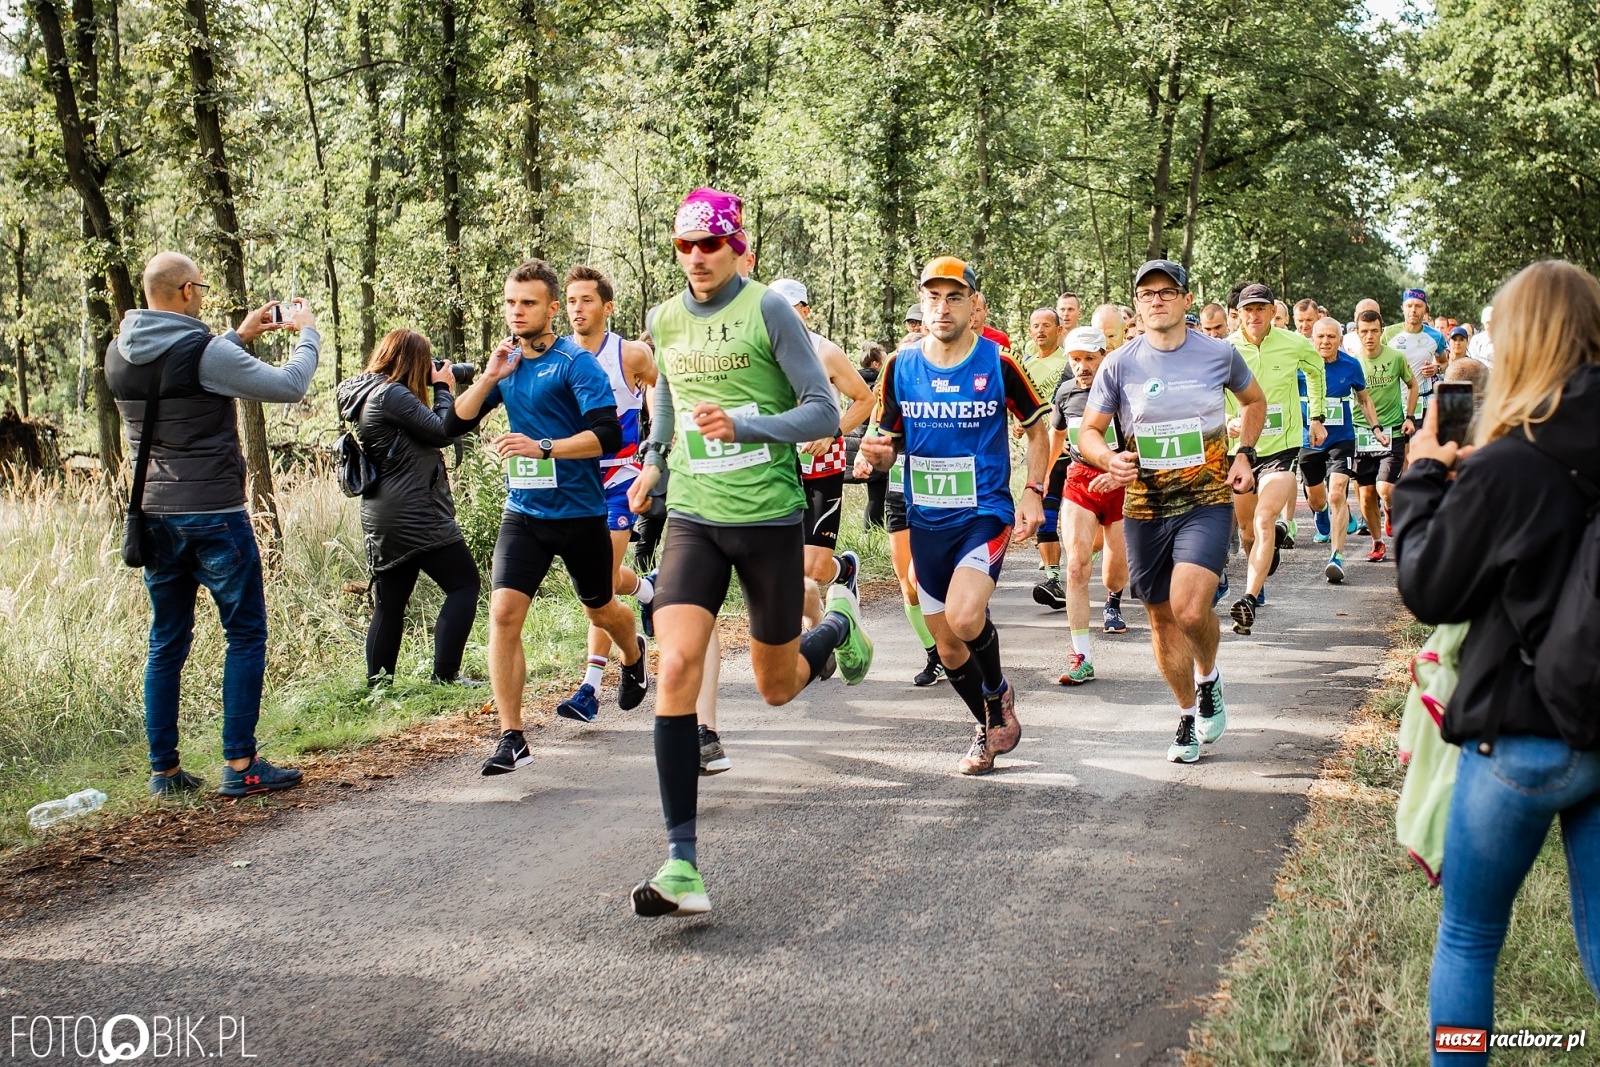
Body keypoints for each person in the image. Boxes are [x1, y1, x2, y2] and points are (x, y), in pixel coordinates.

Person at [624, 188, 872, 917]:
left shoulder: (766, 310)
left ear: (739, 248)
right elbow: (668, 388)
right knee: (675, 664)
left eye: (711, 244)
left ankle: (837, 627)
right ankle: (681, 864)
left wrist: (745, 424)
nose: (697, 257)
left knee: (773, 684)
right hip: (696, 517)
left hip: (767, 516)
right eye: (685, 246)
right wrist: (655, 457)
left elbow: (824, 409)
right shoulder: (665, 318)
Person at [1391, 260, 1600, 1064]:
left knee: (1472, 938)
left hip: (1517, 733)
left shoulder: (1510, 462)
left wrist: (1423, 476)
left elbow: (1431, 587)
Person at [105, 251, 319, 798]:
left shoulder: (118, 352)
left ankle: (165, 772)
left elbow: (180, 377)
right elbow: (290, 385)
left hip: (154, 515)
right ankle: (241, 764)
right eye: (198, 286)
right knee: (244, 633)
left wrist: (237, 336)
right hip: (215, 515)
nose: (202, 294)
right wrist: (308, 334)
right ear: (182, 293)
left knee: (166, 641)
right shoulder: (203, 349)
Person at [447, 259, 647, 772]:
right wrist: (490, 375)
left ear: (551, 309)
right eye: (511, 303)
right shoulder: (507, 362)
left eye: (528, 303)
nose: (517, 312)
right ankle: (512, 736)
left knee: (602, 611)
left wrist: (543, 447)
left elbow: (609, 434)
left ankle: (633, 653)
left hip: (581, 513)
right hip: (525, 513)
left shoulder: (575, 363)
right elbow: (456, 420)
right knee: (504, 614)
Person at [861, 255, 1049, 775]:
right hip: (926, 518)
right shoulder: (900, 367)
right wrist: (876, 455)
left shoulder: (999, 363)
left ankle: (997, 691)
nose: (942, 308)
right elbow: (890, 440)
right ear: (921, 303)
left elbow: (1038, 429)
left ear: (973, 305)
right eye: (933, 298)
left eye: (954, 297)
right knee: (946, 644)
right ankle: (990, 722)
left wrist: (1033, 490)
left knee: (966, 618)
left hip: (983, 511)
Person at [1077, 260, 1266, 764]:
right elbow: (1089, 432)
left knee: (1188, 607)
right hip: (1144, 506)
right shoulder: (1119, 364)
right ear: (1136, 305)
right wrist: (1107, 457)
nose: (1156, 300)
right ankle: (1186, 713)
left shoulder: (1219, 354)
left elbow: (1253, 402)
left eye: (1166, 291)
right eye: (1146, 294)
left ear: (1186, 299)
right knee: (1160, 619)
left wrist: (1244, 453)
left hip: (1205, 500)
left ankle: (1209, 675)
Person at [336, 330, 480, 687]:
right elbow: (444, 430)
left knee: (391, 603)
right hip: (416, 512)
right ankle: (445, 676)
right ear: (412, 362)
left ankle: (379, 688)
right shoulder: (392, 395)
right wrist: (444, 388)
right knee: (464, 583)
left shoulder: (366, 392)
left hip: (382, 515)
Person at [556, 265, 661, 720]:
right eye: (572, 301)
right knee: (597, 583)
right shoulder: (556, 356)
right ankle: (646, 589)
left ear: (607, 306)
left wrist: (656, 438)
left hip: (620, 477)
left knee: (597, 583)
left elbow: (661, 386)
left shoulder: (630, 354)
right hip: (575, 482)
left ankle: (589, 686)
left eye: (588, 300)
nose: (579, 309)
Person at [1223, 283, 1326, 635]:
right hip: (1241, 454)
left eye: (1261, 309)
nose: (1254, 316)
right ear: (1238, 313)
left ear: (1271, 312)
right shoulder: (1226, 350)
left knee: (1266, 521)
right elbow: (1209, 393)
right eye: (1248, 310)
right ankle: (1260, 568)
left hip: (1281, 450)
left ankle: (1248, 599)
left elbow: (1316, 372)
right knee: (1248, 531)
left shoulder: (1294, 342)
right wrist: (1227, 421)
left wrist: (1317, 416)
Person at [1047, 325, 1129, 683]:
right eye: (1075, 360)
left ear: (1104, 357)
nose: (1082, 366)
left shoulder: (1123, 390)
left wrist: (1124, 467)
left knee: (1114, 573)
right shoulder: (1065, 393)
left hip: (1124, 481)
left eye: (1089, 359)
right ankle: (1081, 656)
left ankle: (1114, 599)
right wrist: (1036, 484)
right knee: (1077, 567)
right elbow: (1055, 439)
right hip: (1081, 480)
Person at [1298, 317, 1386, 583]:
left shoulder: (1351, 364)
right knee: (1318, 499)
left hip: (1342, 439)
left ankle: (1336, 556)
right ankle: (1321, 514)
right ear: (1312, 339)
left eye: (1331, 337)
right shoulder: (1301, 365)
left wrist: (1376, 428)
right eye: (1320, 337)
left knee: (1337, 493)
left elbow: (1363, 399)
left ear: (1340, 339)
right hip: (1309, 439)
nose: (1325, 342)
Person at [1350, 308, 1419, 562]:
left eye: (1374, 331)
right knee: (1366, 494)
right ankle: (1377, 543)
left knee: (1385, 488)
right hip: (1362, 433)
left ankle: (1389, 509)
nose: (1370, 336)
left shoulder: (1396, 357)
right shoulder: (1353, 362)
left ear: (1381, 332)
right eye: (1364, 332)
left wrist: (1409, 417)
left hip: (1392, 430)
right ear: (1357, 333)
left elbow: (1412, 385)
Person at [1021, 309, 1070, 605]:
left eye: (1046, 326)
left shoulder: (1071, 360)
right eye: (1035, 326)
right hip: (1042, 449)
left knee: (1095, 529)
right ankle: (1054, 581)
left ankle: (1090, 569)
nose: (1040, 331)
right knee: (1046, 513)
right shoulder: (1025, 364)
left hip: (1072, 450)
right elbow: (1023, 405)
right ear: (1029, 332)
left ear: (1059, 329)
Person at [1384, 288, 1447, 423]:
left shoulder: (1436, 336)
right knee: (1399, 444)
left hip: (1423, 401)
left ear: (1425, 310)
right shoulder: (1387, 333)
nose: (1413, 310)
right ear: (1402, 308)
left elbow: (1444, 363)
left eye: (1418, 306)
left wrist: (1436, 369)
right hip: (1393, 402)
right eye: (1409, 305)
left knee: (1421, 443)